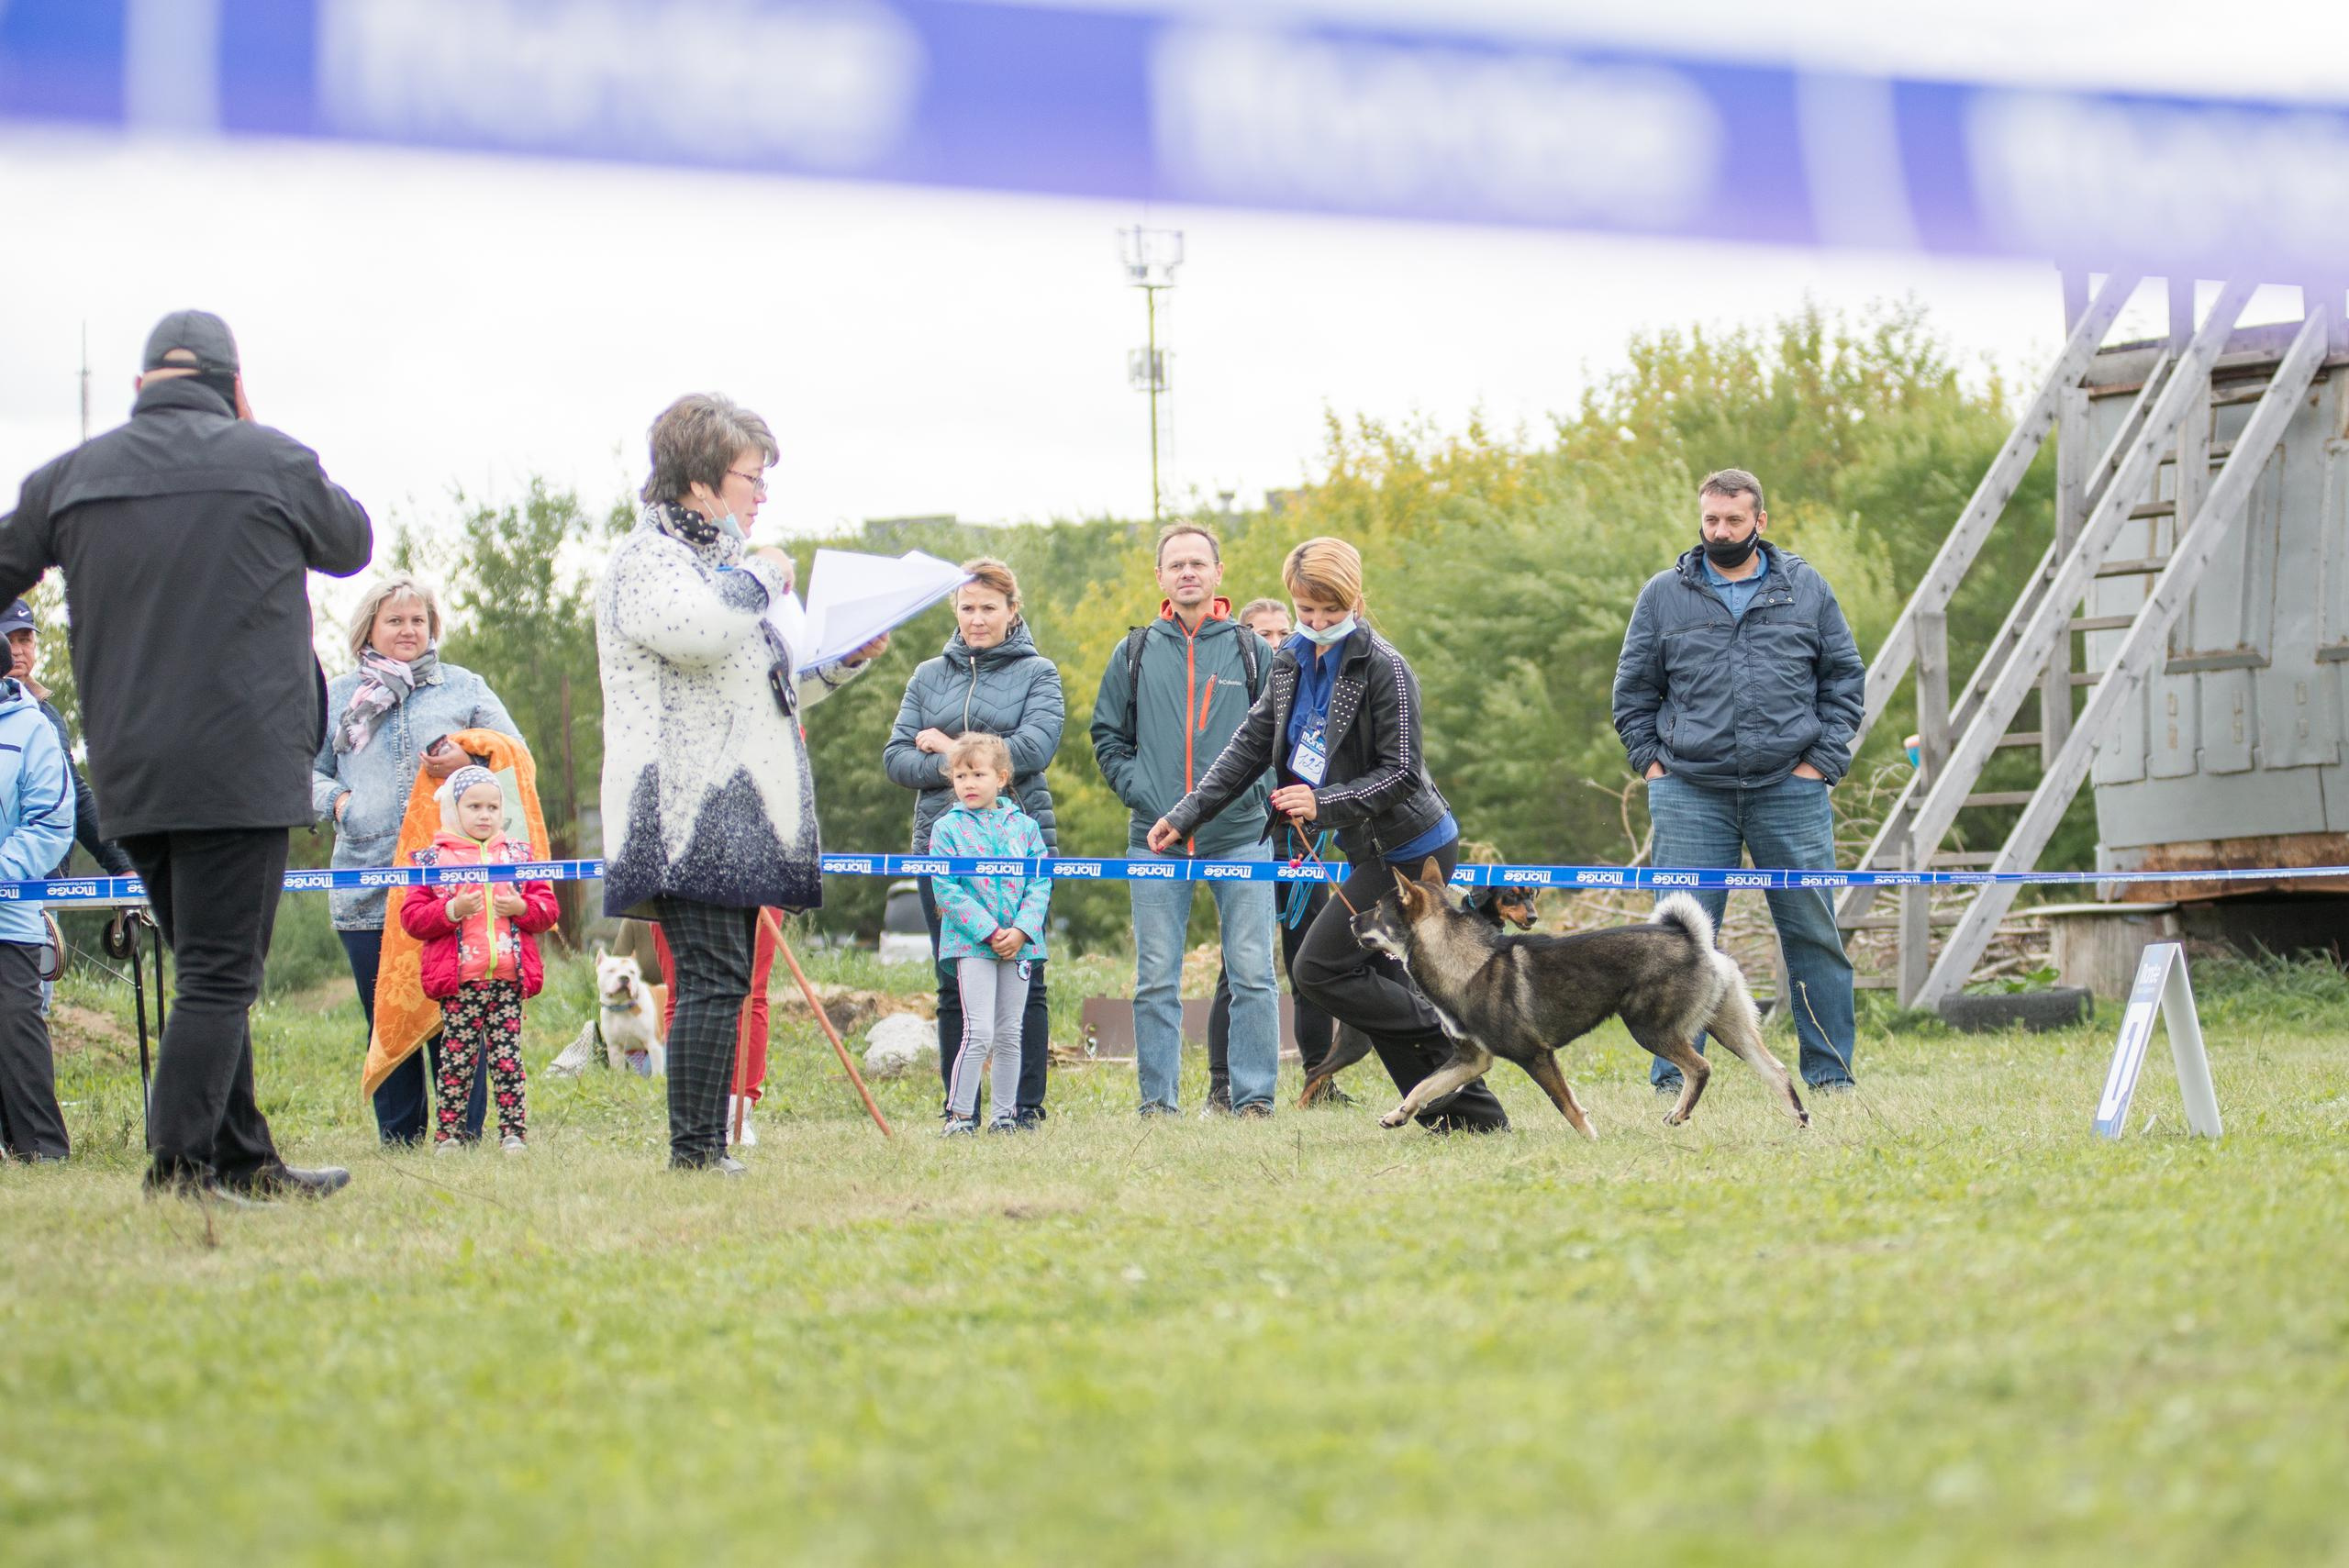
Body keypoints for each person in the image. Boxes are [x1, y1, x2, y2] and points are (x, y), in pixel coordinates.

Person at [0, 309, 371, 1202]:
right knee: (219, 972)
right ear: (233, 387)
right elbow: (351, 544)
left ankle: (246, 1158)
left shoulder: (69, 479)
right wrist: (253, 437)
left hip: (132, 769)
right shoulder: (272, 459)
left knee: (206, 957)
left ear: (139, 390)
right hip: (240, 765)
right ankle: (179, 1166)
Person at [597, 393, 885, 1173]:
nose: (762, 496)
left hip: (731, 805)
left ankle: (703, 1149)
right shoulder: (649, 561)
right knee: (711, 980)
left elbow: (764, 685)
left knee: (722, 979)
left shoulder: (717, 567)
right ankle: (693, 1153)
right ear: (699, 481)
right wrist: (762, 577)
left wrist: (843, 664)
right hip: (680, 805)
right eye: (751, 478)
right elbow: (695, 634)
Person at [1150, 536, 1510, 1133]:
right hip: (1364, 844)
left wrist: (1321, 801)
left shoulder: (1387, 668)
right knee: (1364, 975)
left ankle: (1452, 1038)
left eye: (1329, 611)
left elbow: (1400, 773)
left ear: (1355, 600)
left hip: (1412, 848)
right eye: (1306, 610)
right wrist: (1187, 812)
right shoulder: (1290, 657)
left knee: (1319, 968)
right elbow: (1248, 743)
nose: (1316, 623)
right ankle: (1466, 1117)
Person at [1611, 467, 1865, 1095]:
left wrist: (1820, 766)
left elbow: (1845, 682)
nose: (1720, 530)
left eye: (1733, 519)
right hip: (1691, 789)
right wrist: (1654, 766)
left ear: (1761, 521)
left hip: (1791, 786)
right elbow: (1633, 694)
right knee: (1677, 943)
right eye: (1711, 519)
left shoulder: (1806, 590)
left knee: (1813, 932)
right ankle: (1674, 1072)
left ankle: (1830, 1072)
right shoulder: (1662, 595)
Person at [313, 573, 518, 1143]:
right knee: (387, 1015)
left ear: (433, 627)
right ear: (370, 629)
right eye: (395, 620)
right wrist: (340, 803)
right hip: (365, 881)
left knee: (459, 1013)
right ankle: (398, 1139)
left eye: (418, 620)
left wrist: (468, 759)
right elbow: (298, 772)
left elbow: (514, 756)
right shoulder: (335, 695)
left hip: (455, 886)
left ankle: (463, 1135)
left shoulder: (463, 687)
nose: (408, 630)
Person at [1090, 522, 1279, 1119]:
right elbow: (1107, 735)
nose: (1188, 572)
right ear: (1162, 577)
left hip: (1241, 836)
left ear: (1219, 573)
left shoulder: (1254, 650)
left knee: (1252, 973)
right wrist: (1142, 792)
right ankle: (1158, 1104)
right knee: (1154, 979)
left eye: (1199, 562)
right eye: (1177, 564)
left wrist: (1257, 798)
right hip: (1156, 841)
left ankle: (1254, 1101)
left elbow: (1285, 737)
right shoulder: (1135, 650)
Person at [883, 557, 1063, 1127]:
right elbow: (896, 759)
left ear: (1013, 611)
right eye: (967, 608)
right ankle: (960, 1111)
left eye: (989, 608)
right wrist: (962, 768)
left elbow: (1033, 749)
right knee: (953, 980)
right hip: (946, 851)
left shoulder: (1040, 674)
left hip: (1020, 845)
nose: (978, 619)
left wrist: (948, 746)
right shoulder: (926, 675)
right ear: (954, 612)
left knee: (1022, 977)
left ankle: (1023, 1108)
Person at [1203, 597, 1341, 1112]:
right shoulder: (1234, 693)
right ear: (1246, 641)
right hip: (1251, 837)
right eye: (1264, 634)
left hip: (1306, 839)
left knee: (1310, 961)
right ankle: (1223, 1085)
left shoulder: (1313, 688)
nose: (1277, 643)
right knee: (1240, 966)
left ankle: (1318, 1081)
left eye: (1284, 632)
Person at [397, 767, 560, 1152]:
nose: (484, 815)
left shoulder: (518, 855)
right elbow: (412, 918)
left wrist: (521, 906)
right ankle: (449, 1136)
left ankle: (513, 1134)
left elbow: (547, 909)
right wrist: (451, 909)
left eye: (493, 806)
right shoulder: (432, 860)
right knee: (456, 1061)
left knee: (508, 1061)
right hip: (461, 983)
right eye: (474, 806)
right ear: (454, 810)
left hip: (508, 980)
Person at [925, 734, 1052, 1136]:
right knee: (978, 1031)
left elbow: (1040, 883)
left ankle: (1004, 1117)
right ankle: (960, 1117)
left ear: (1000, 778)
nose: (968, 783)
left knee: (1010, 1034)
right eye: (960, 776)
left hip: (1020, 945)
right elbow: (946, 889)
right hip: (970, 944)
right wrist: (989, 930)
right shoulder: (946, 829)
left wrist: (1021, 930)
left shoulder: (1028, 829)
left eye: (977, 774)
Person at [2, 597, 133, 883]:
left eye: (24, 640)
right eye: (7, 640)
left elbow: (74, 794)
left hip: (41, 889)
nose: (17, 651)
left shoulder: (46, 715)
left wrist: (123, 866)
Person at [0, 669, 73, 1161]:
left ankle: (41, 1149)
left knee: (13, 1026)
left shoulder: (32, 727)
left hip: (8, 916)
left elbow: (53, 821)